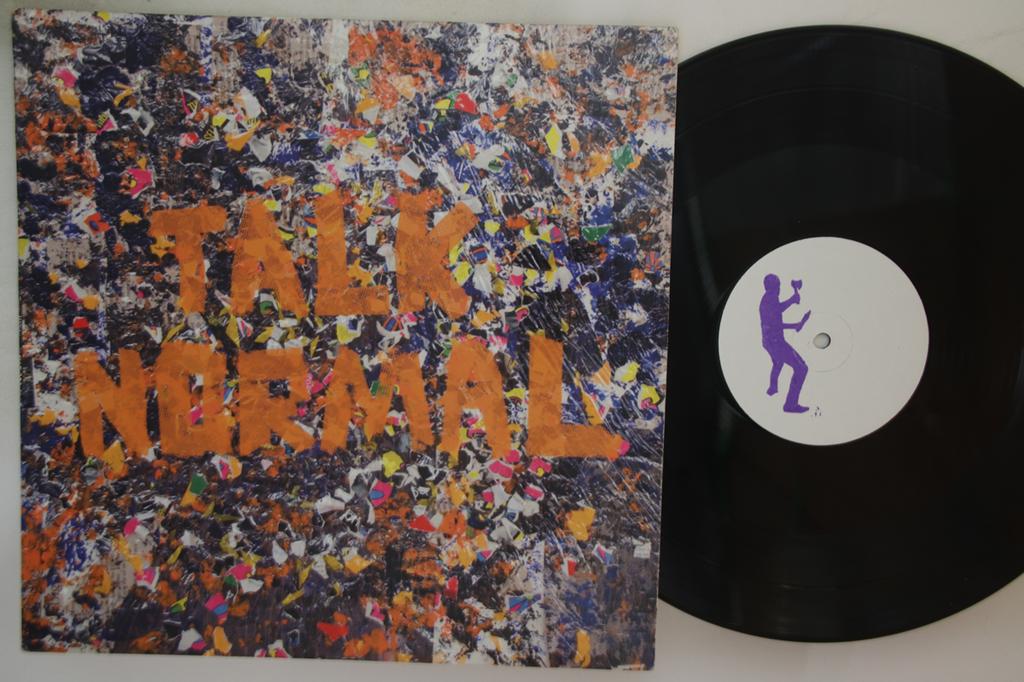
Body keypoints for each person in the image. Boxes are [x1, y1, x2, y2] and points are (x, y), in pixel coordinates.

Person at [759, 274, 811, 413]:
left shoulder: (768, 298)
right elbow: (775, 324)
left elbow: (777, 309)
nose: (779, 289)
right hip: (776, 343)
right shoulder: (771, 297)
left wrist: (792, 300)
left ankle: (773, 388)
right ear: (775, 287)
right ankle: (790, 405)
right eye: (778, 286)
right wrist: (796, 325)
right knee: (801, 368)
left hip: (769, 342)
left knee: (778, 361)